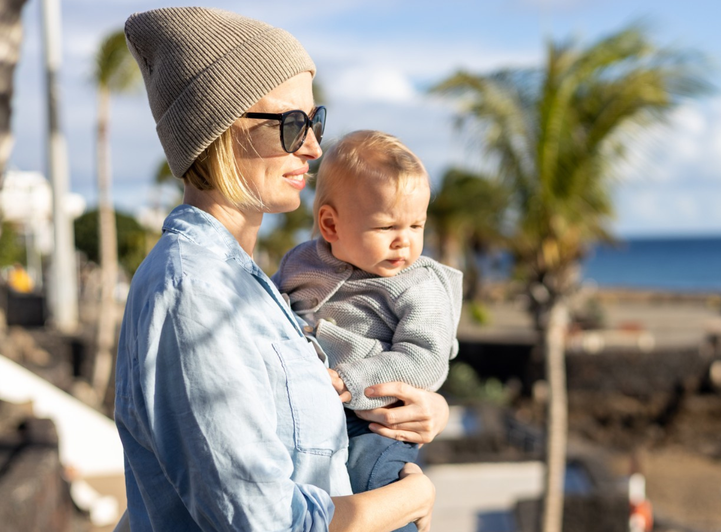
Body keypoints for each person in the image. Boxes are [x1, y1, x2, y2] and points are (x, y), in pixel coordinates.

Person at [115, 7, 448, 531]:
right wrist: (411, 498)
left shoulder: (256, 286)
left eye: (315, 121)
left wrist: (421, 410)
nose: (314, 147)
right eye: (291, 125)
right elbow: (265, 521)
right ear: (219, 128)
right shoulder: (194, 293)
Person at [273, 131, 462, 528]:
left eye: (416, 225)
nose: (404, 243)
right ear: (330, 225)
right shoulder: (301, 263)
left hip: (376, 420)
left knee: (374, 485)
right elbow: (271, 310)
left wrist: (351, 379)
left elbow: (425, 359)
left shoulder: (418, 283)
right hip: (314, 409)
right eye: (386, 227)